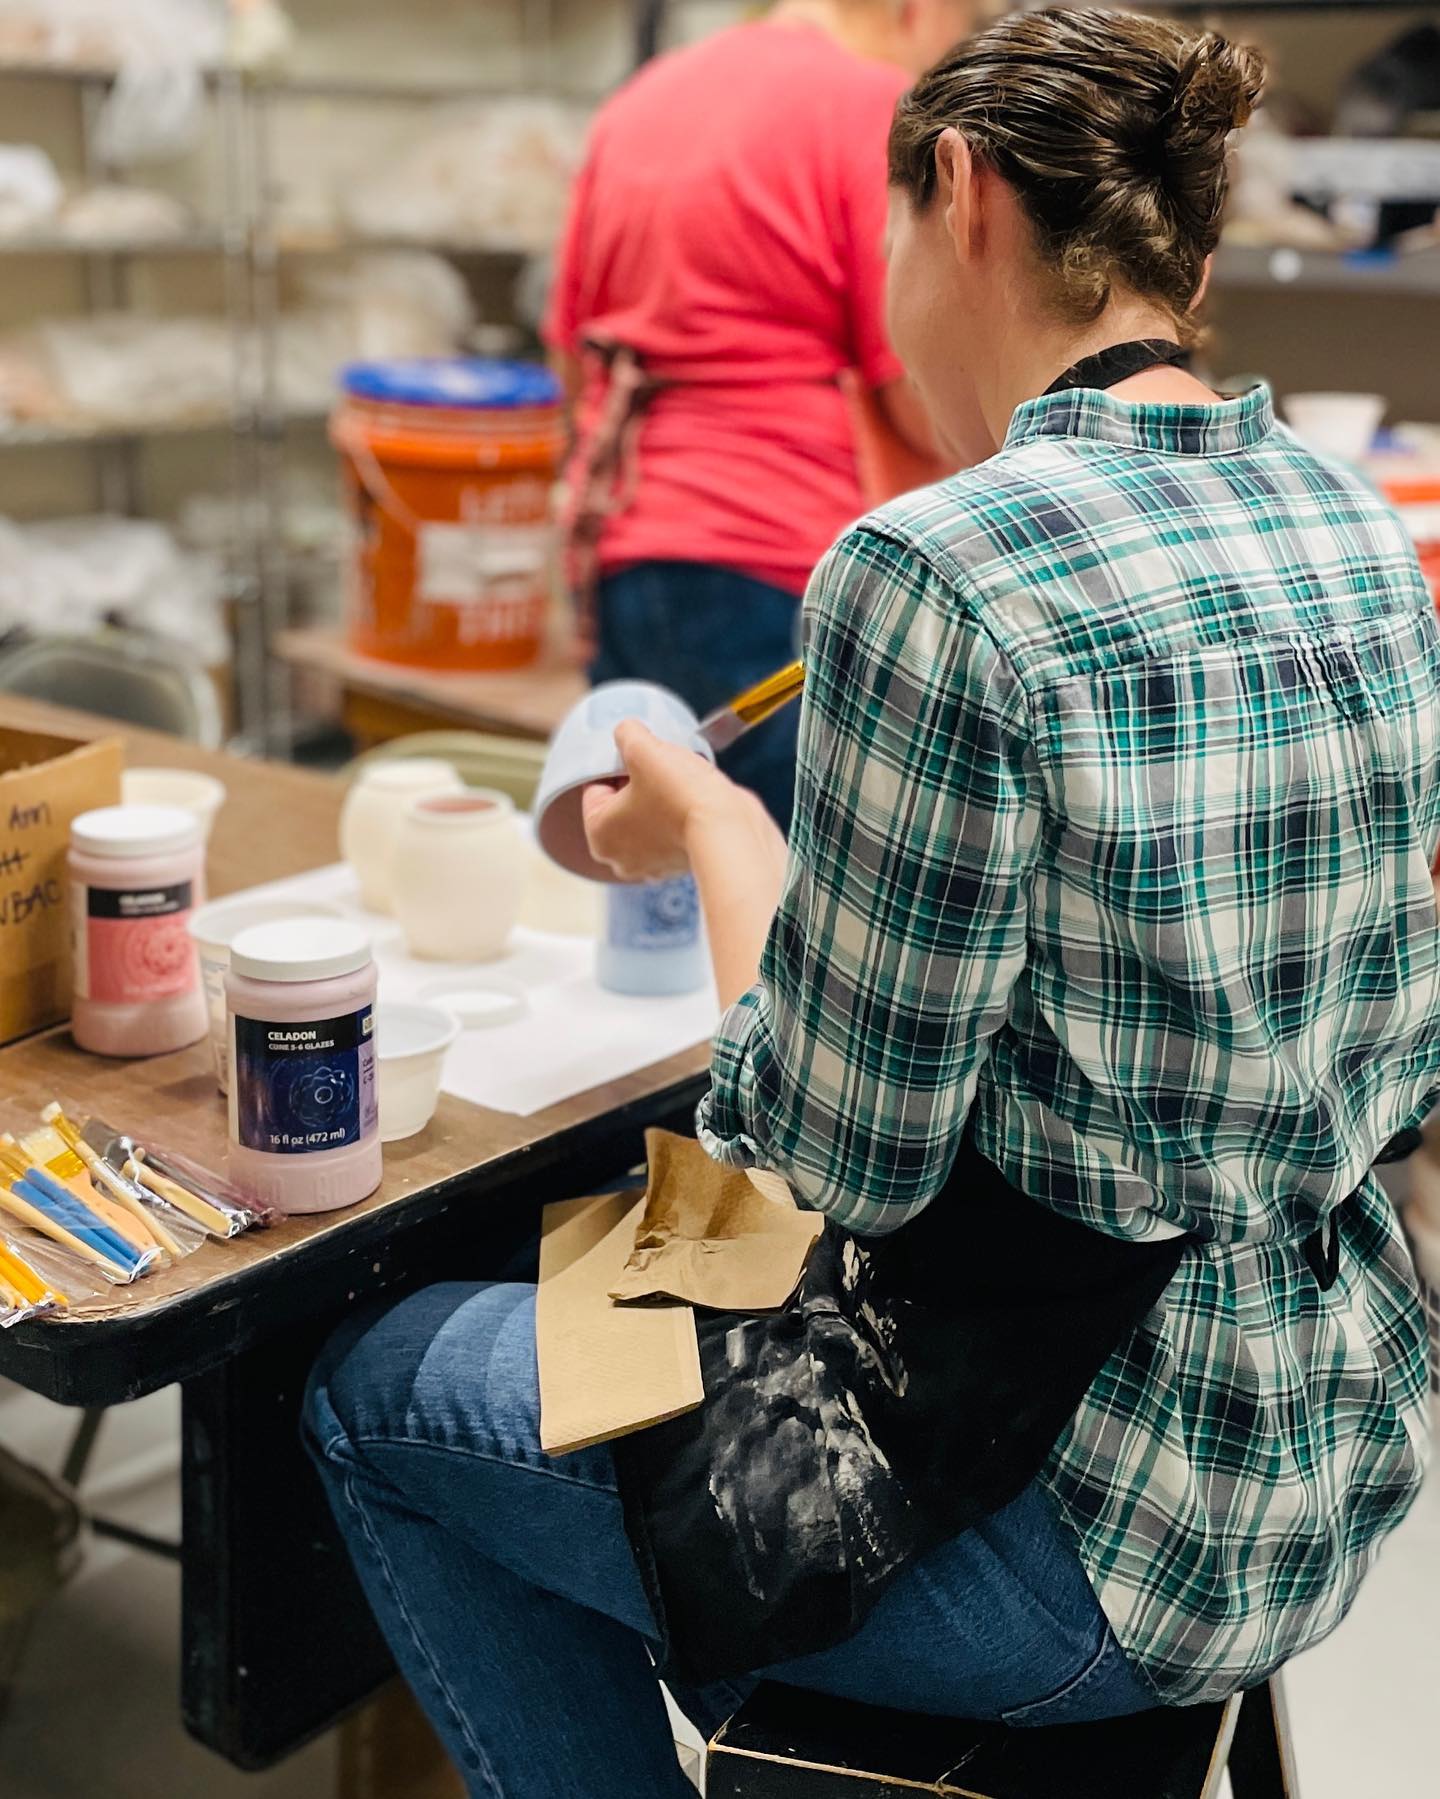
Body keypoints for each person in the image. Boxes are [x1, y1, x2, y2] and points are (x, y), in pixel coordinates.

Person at [305, 12, 1437, 1795]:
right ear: (1194, 257)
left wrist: (718, 834)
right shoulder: (1355, 527)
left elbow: (834, 1163)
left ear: (959, 194)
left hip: (1091, 1525)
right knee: (584, 1321)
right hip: (1328, 1452)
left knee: (376, 1387)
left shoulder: (936, 568)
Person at [545, 0, 981, 833]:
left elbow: (571, 359)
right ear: (917, 9)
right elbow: (916, 400)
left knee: (655, 867)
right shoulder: (870, 107)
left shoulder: (639, 103)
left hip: (622, 560)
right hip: (779, 569)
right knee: (780, 884)